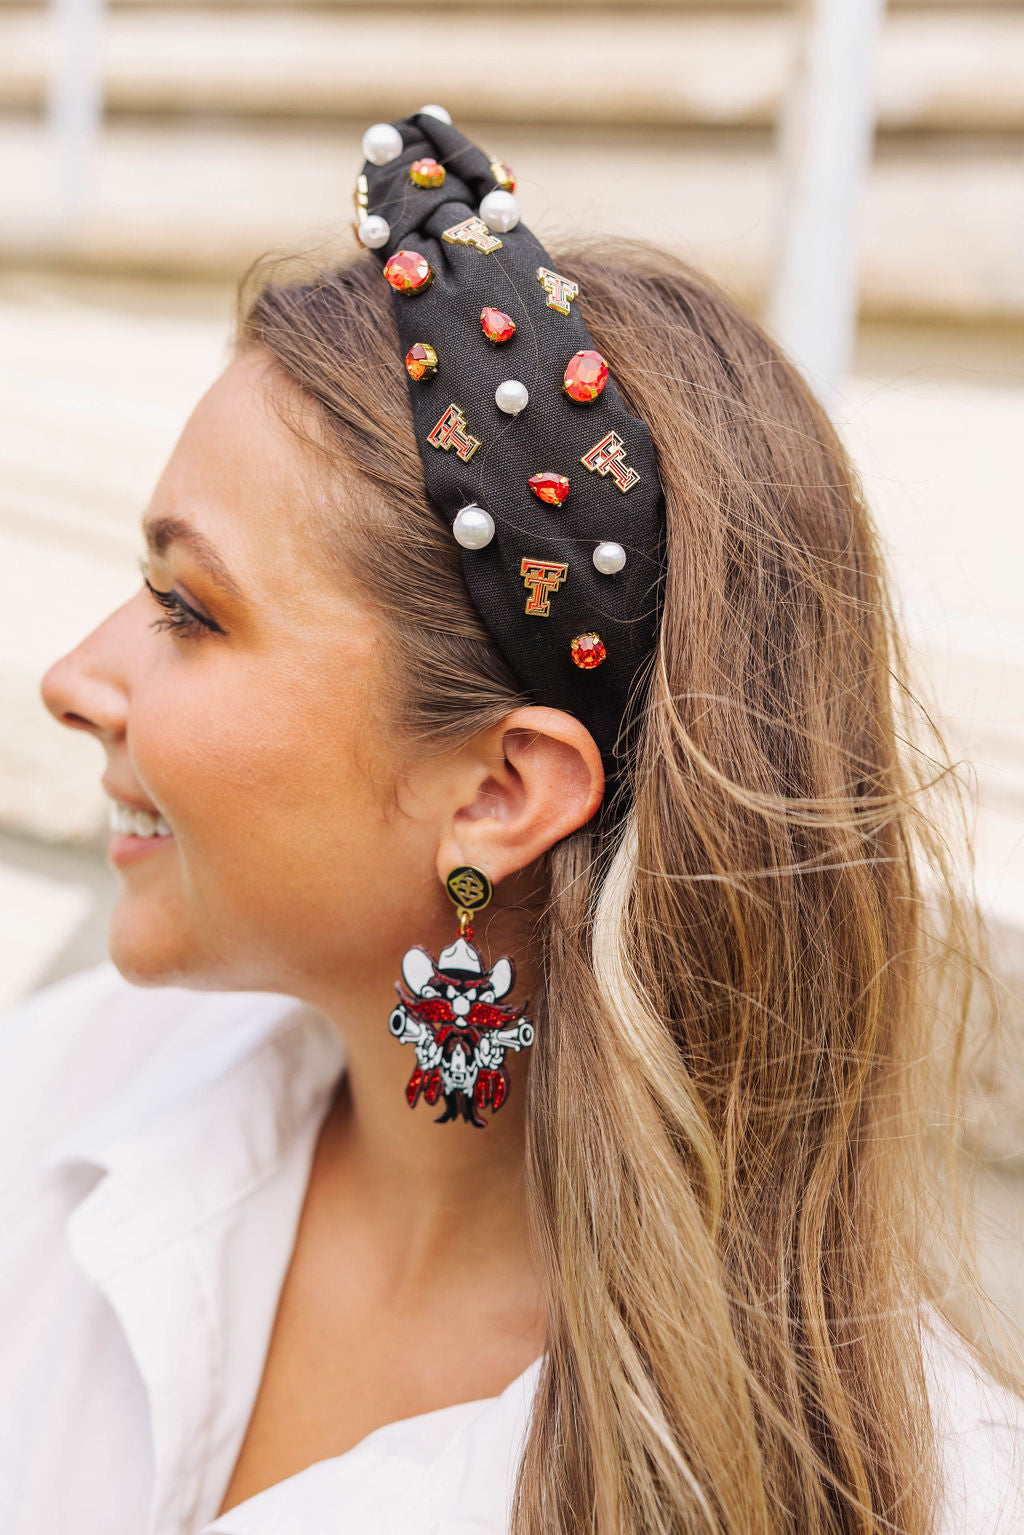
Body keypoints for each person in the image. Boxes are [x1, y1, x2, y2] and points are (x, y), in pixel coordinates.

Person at [1, 109, 1022, 1535]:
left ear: (498, 793)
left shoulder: (917, 1493)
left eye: (189, 609)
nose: (73, 680)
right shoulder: (57, 1101)